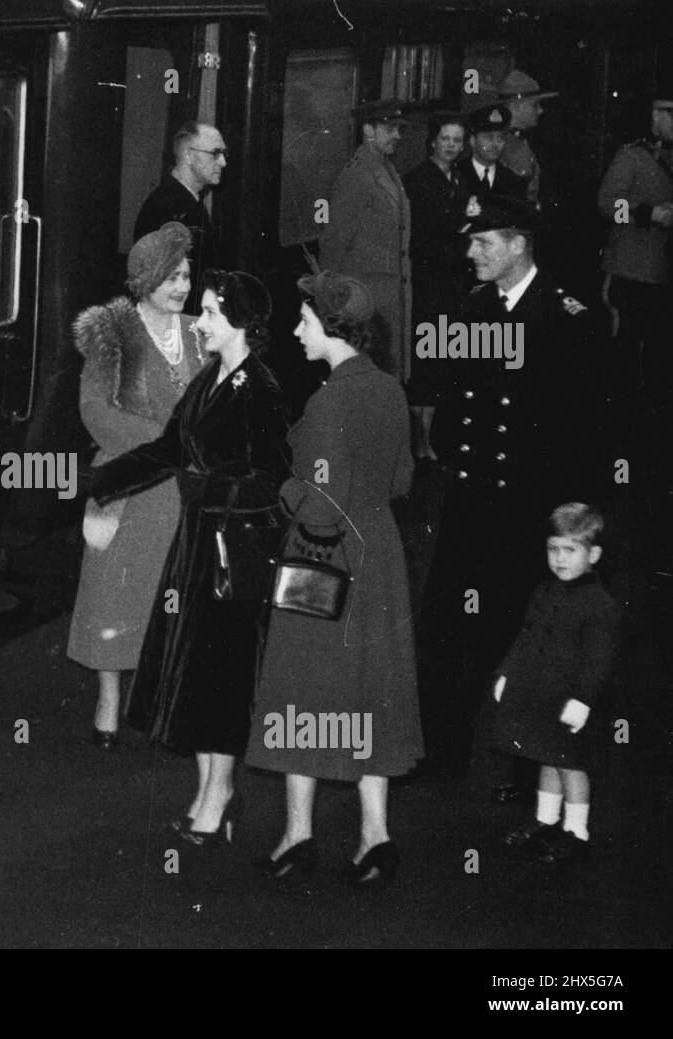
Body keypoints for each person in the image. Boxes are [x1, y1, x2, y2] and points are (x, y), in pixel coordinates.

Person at [91, 269, 291, 841]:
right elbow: (168, 449)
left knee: (221, 673)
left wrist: (208, 489)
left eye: (209, 314)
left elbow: (274, 476)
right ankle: (210, 789)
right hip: (199, 545)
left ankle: (220, 791)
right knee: (200, 672)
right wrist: (104, 480)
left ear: (242, 325)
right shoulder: (209, 379)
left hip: (234, 552)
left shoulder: (261, 389)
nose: (198, 323)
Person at [420, 196, 603, 787]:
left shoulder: (567, 317)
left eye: (484, 242)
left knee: (526, 637)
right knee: (450, 628)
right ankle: (440, 753)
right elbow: (454, 402)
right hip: (473, 498)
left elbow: (583, 429)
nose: (472, 253)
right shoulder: (474, 309)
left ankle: (521, 770)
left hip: (528, 507)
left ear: (519, 243)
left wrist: (566, 520)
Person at [245, 270, 419, 886]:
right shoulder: (390, 390)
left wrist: (284, 486)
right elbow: (401, 481)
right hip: (383, 560)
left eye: (305, 321)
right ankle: (375, 836)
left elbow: (319, 505)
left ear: (331, 330)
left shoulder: (327, 402)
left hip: (326, 563)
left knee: (303, 693)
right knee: (373, 695)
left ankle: (297, 836)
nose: (296, 331)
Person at [67, 223, 206, 748]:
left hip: (184, 489)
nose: (181, 286)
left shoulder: (200, 329)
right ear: (144, 278)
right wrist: (166, 443)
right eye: (170, 277)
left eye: (187, 275)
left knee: (169, 594)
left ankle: (163, 699)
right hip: (130, 482)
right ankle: (108, 698)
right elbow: (94, 410)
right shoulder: (113, 335)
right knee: (114, 595)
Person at [491, 503, 620, 864]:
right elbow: (525, 636)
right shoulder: (544, 591)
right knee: (545, 756)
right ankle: (545, 820)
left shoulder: (601, 605)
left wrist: (583, 700)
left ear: (593, 554)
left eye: (570, 550)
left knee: (571, 766)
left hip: (572, 700)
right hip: (540, 694)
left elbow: (600, 661)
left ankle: (576, 831)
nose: (559, 559)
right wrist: (506, 672)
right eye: (553, 549)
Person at [319, 100, 411, 383]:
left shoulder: (384, 169)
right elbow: (334, 242)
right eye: (389, 128)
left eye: (398, 129)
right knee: (369, 373)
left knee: (383, 371)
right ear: (368, 130)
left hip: (385, 294)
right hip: (366, 296)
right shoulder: (357, 174)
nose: (397, 135)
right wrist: (331, 301)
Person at [596, 92, 673, 428]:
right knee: (626, 349)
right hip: (630, 269)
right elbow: (607, 204)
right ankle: (618, 421)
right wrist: (648, 213)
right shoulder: (632, 156)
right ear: (657, 117)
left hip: (662, 272)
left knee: (656, 351)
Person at [404, 113, 473, 455]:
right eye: (445, 139)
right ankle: (419, 440)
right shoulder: (418, 180)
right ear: (433, 141)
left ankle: (430, 436)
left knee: (442, 361)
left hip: (452, 286)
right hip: (428, 285)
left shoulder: (459, 179)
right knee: (425, 365)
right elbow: (423, 239)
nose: (451, 146)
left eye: (457, 141)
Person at [134, 121, 228, 311]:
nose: (223, 162)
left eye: (224, 154)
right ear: (188, 155)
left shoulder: (191, 202)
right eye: (215, 154)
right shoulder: (165, 209)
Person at [497, 70, 557, 208]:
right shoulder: (500, 144)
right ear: (516, 106)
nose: (540, 110)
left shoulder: (518, 140)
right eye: (535, 105)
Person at [459, 104, 529, 204]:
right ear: (472, 141)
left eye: (500, 138)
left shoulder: (514, 181)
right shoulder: (456, 175)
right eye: (489, 138)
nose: (495, 144)